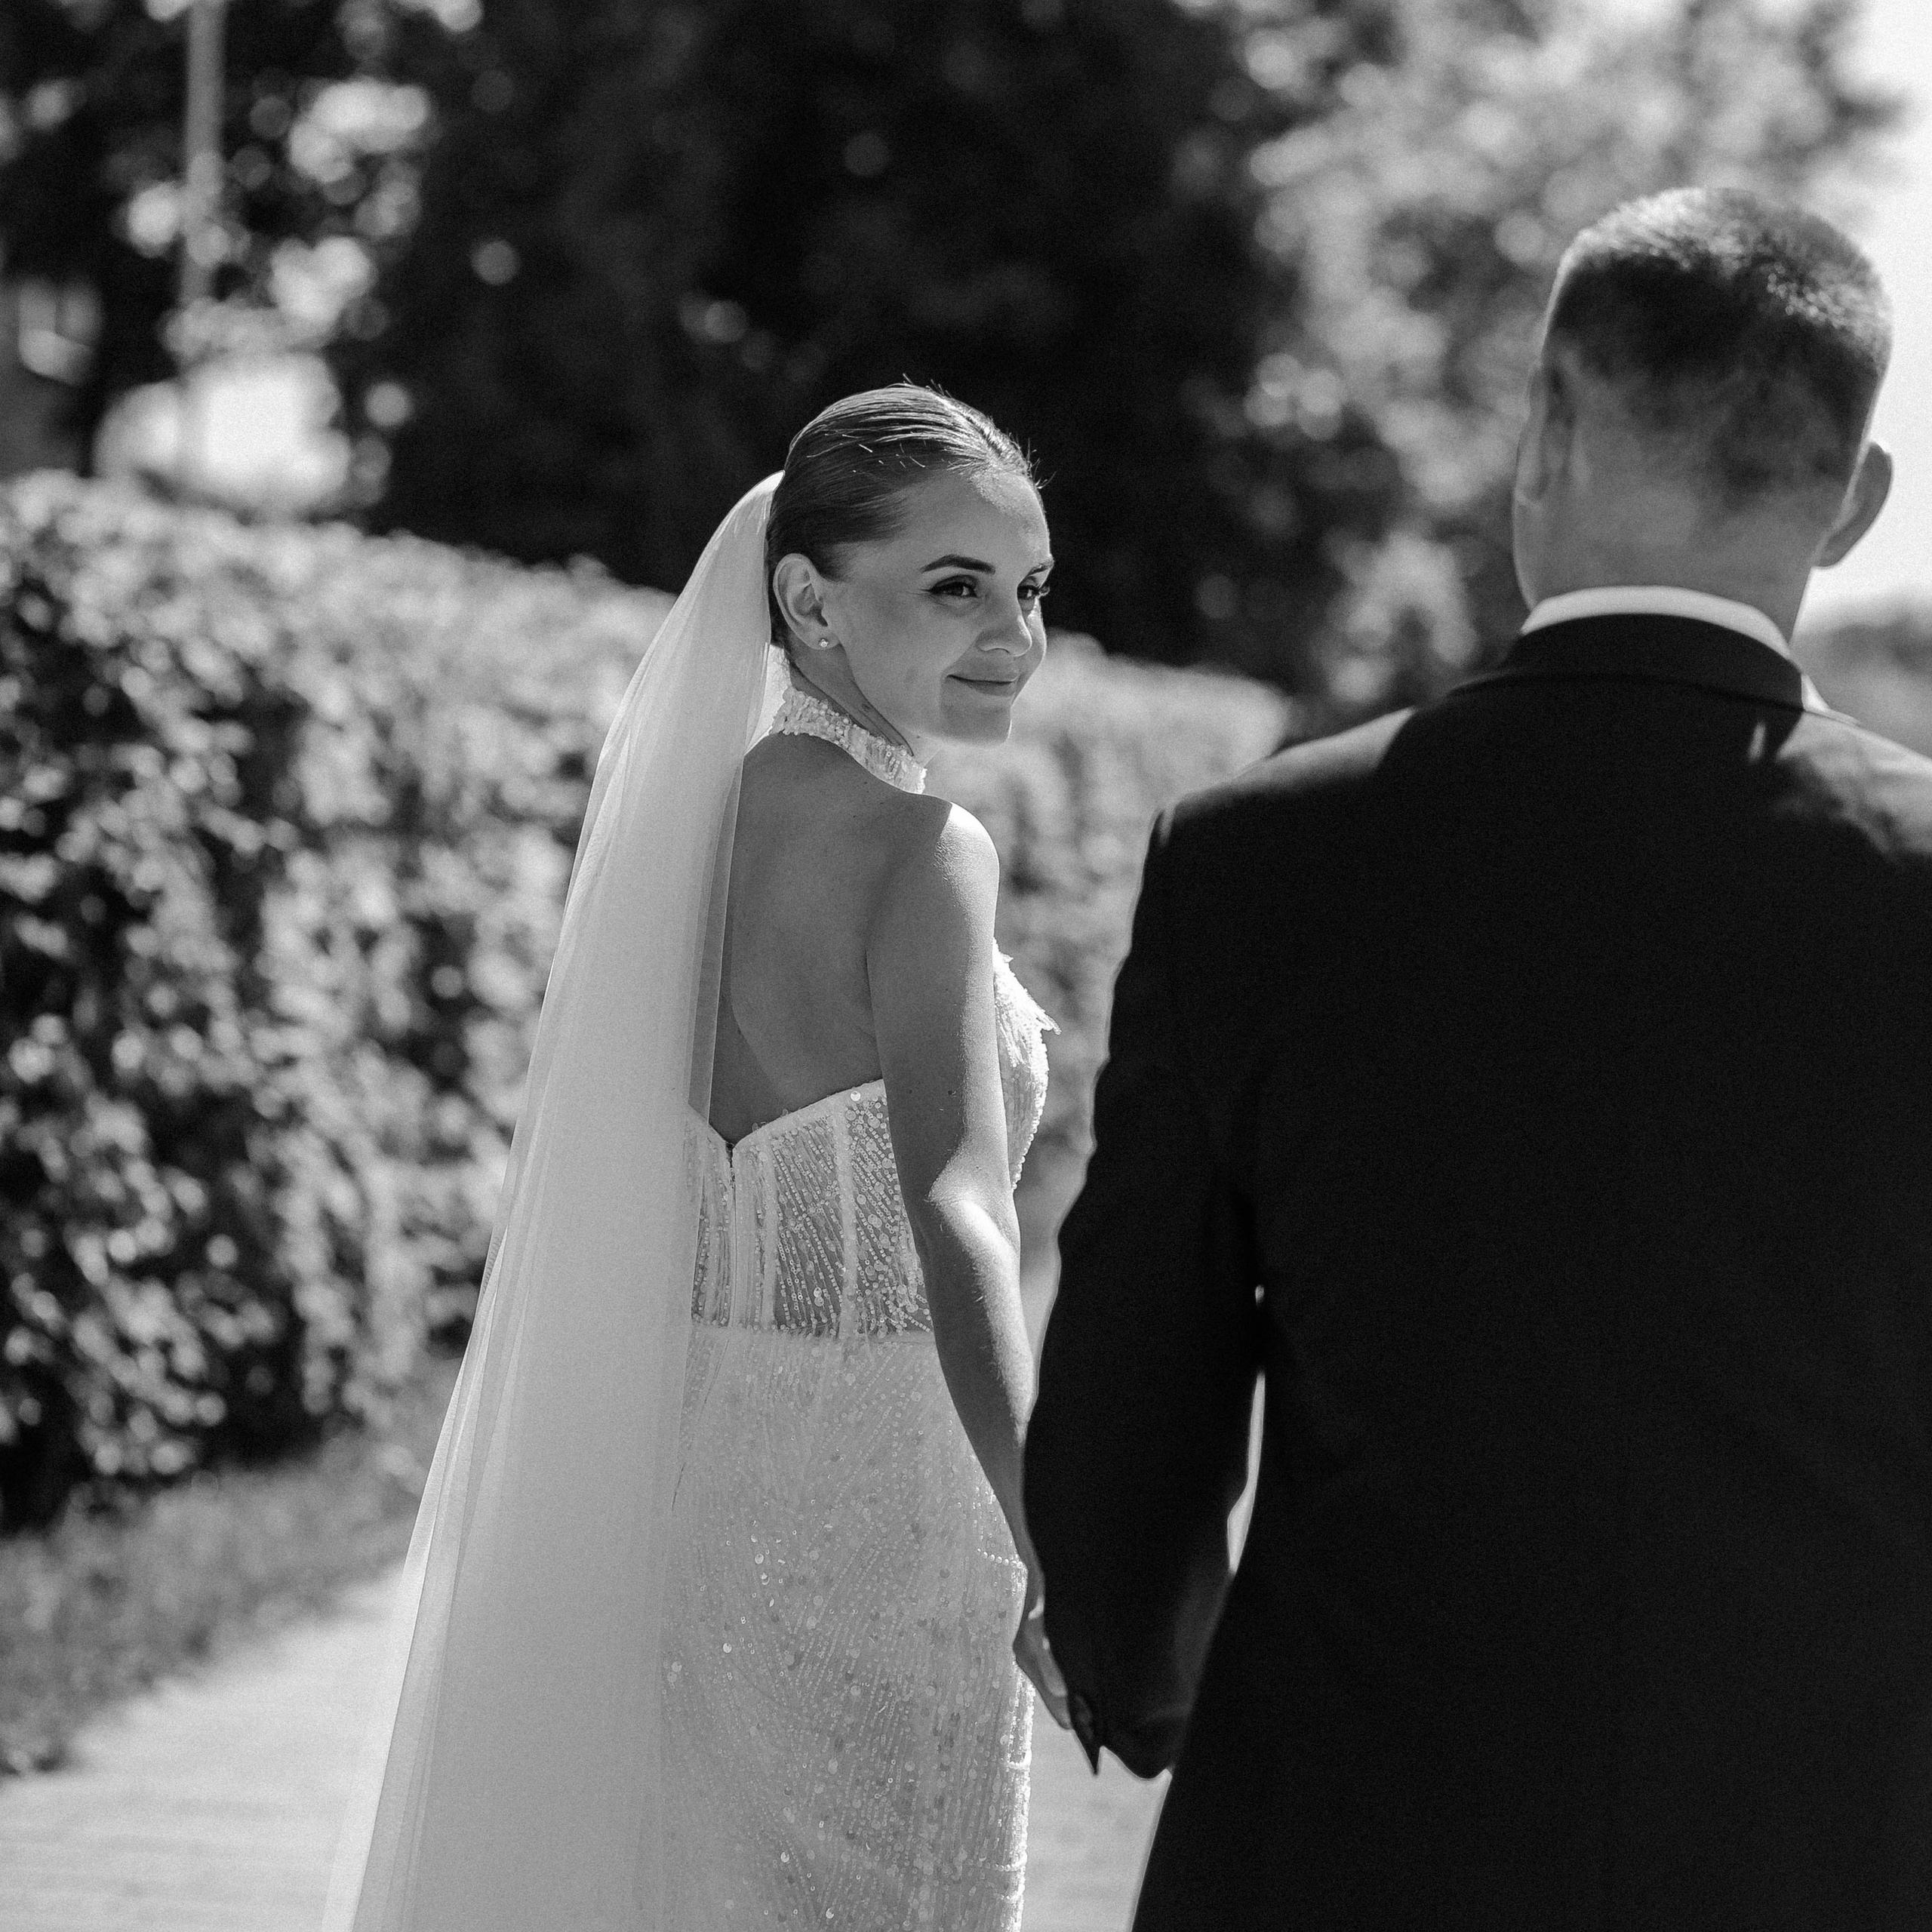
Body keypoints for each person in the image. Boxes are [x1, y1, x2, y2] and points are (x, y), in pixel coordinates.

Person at [1025, 186, 1932, 1929]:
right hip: (1834, 1846)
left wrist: (1137, 1671)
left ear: (1543, 440)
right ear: (1855, 501)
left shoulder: (1251, 858)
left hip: (1349, 1836)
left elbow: (1132, 1389)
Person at [325, 386, 1067, 1932]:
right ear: (809, 599)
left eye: (1029, 588)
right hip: (890, 1507)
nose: (1014, 634)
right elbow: (960, 1210)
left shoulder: (691, 836)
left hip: (693, 1482)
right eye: (956, 586)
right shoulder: (924, 849)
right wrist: (1047, 1523)